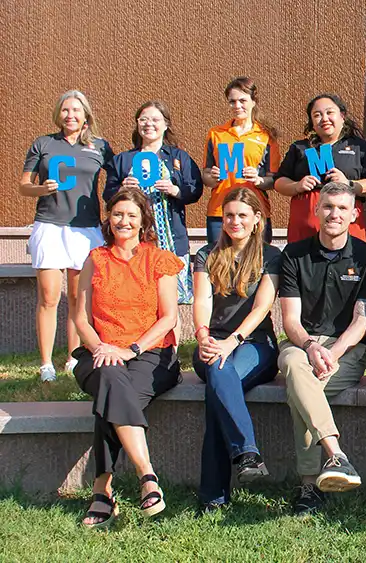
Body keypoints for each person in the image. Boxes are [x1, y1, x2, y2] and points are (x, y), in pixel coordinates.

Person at [72, 187, 184, 529]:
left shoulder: (158, 259)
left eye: (131, 215)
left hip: (151, 354)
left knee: (112, 392)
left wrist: (131, 349)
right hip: (101, 353)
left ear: (142, 221)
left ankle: (101, 492)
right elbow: (80, 317)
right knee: (109, 376)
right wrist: (101, 348)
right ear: (109, 219)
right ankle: (146, 475)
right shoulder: (97, 259)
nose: (124, 221)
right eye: (118, 214)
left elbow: (169, 318)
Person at [278, 182, 366, 516]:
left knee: (301, 388)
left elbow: (361, 319)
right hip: (302, 343)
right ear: (316, 210)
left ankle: (309, 486)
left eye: (341, 208)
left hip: (347, 349)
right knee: (297, 368)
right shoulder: (293, 254)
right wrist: (311, 347)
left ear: (354, 215)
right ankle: (336, 455)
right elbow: (290, 321)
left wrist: (333, 353)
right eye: (327, 207)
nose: (334, 214)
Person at [192, 188, 282, 512]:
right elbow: (201, 300)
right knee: (219, 376)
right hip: (212, 341)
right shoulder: (205, 255)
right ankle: (246, 454)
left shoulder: (271, 256)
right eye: (229, 215)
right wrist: (203, 336)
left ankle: (213, 495)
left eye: (243, 215)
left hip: (255, 344)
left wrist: (234, 341)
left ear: (257, 219)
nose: (235, 221)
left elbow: (261, 308)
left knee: (219, 379)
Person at [19, 90, 114, 381]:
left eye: (76, 110)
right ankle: (46, 363)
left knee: (77, 295)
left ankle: (73, 359)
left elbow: (115, 182)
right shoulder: (44, 143)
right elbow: (24, 185)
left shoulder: (100, 146)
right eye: (65, 110)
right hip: (49, 225)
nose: (70, 115)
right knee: (48, 296)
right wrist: (40, 189)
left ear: (86, 114)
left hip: (85, 229)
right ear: (58, 114)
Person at [106, 100, 203, 309]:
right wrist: (122, 188)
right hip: (135, 240)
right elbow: (108, 195)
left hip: (171, 239)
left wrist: (175, 190)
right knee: (138, 296)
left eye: (155, 119)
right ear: (137, 124)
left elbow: (195, 189)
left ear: (166, 124)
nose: (149, 124)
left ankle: (171, 343)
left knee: (171, 300)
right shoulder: (123, 160)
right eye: (144, 119)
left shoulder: (178, 157)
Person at [275, 93, 366, 243]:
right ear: (311, 122)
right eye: (317, 115)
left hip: (346, 226)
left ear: (342, 116)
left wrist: (349, 184)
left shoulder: (359, 147)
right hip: (305, 228)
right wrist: (297, 185)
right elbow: (279, 182)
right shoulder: (300, 147)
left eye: (330, 112)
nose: (324, 119)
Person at [203, 77, 279, 247]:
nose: (237, 106)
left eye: (242, 100)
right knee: (219, 266)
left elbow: (273, 179)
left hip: (255, 211)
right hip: (219, 210)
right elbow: (205, 174)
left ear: (253, 101)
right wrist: (212, 176)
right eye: (232, 101)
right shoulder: (216, 133)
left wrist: (259, 180)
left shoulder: (266, 135)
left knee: (257, 266)